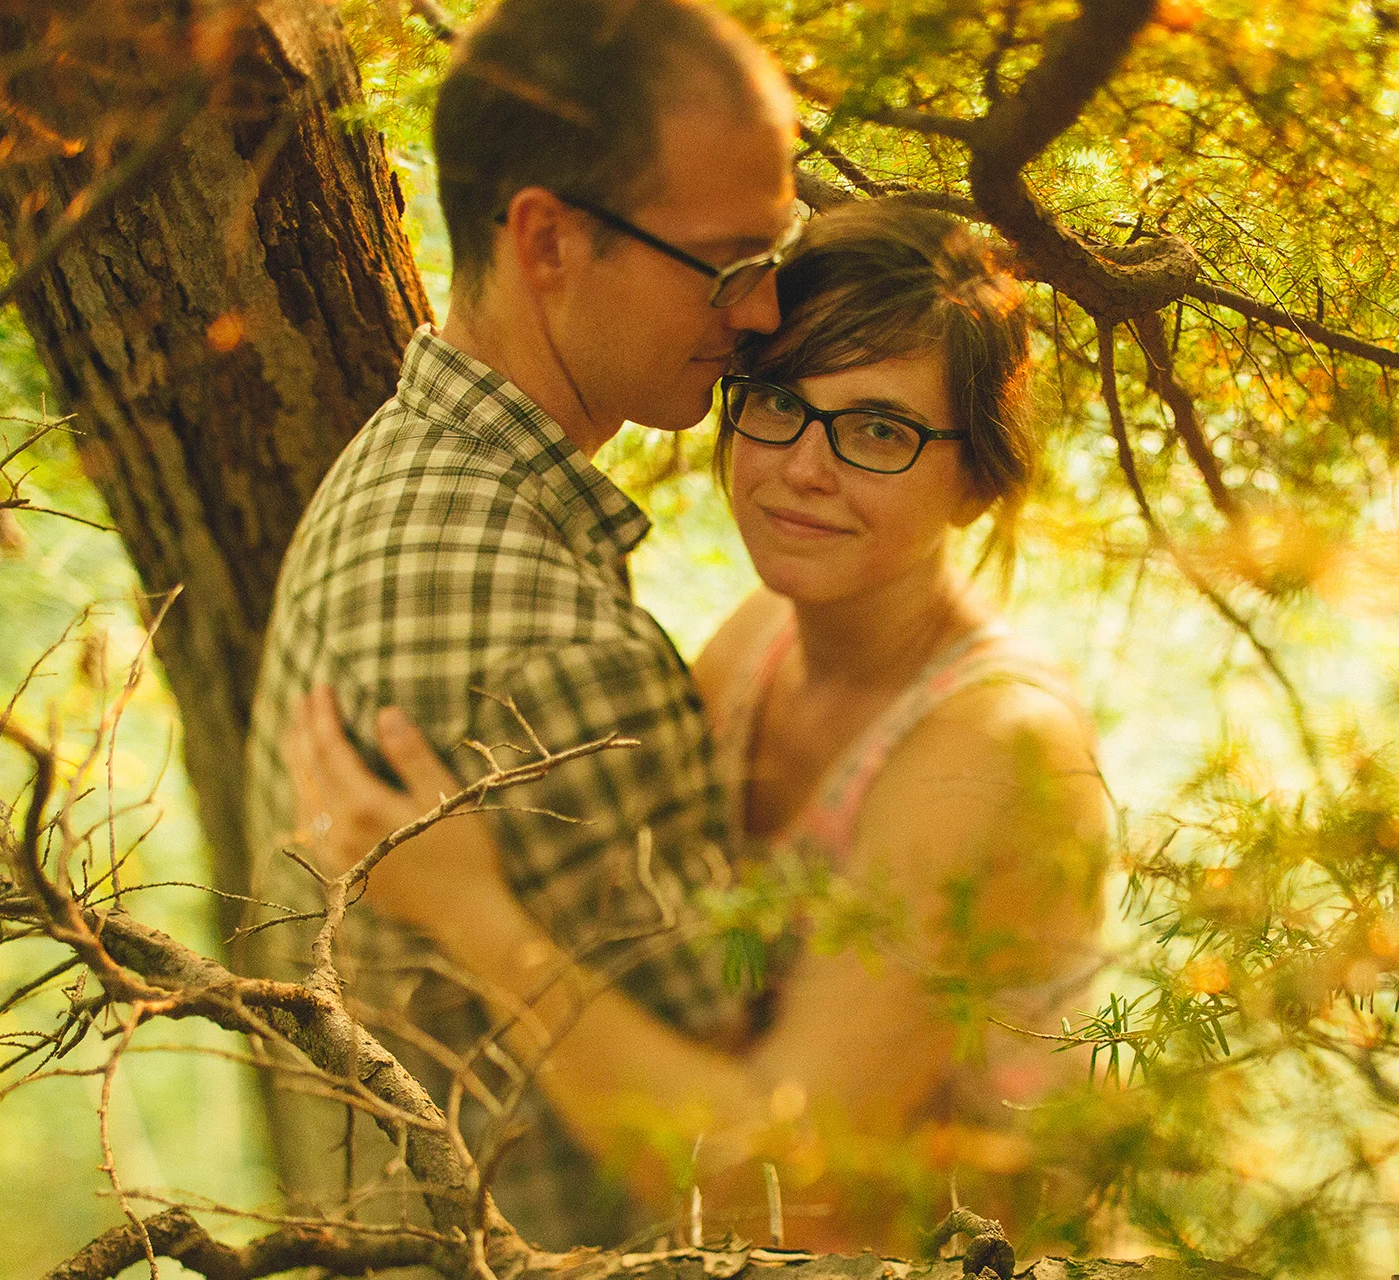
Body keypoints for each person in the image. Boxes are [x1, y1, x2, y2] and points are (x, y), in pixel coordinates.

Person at [289, 201, 1108, 1251]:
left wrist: (469, 909)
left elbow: (787, 1188)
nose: (803, 466)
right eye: (776, 400)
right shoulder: (759, 639)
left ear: (979, 478)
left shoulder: (991, 748)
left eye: (878, 429)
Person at [242, 0, 801, 1248]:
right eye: (727, 264)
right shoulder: (564, 659)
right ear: (549, 239)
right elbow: (730, 1175)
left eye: (780, 252)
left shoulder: (384, 471)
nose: (761, 312)